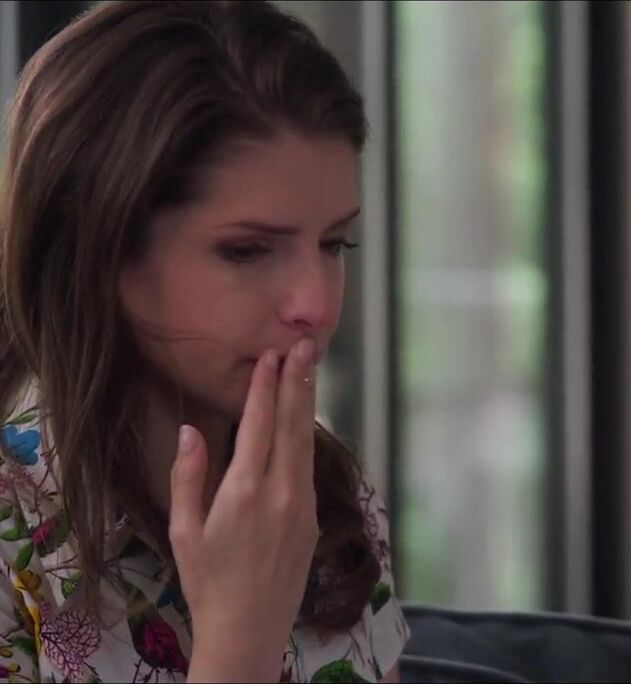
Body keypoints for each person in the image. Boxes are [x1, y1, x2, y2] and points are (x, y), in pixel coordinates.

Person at [0, 1, 409, 681]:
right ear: (97, 246)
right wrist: (239, 647)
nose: (316, 305)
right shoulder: (16, 533)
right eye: (246, 250)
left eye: (335, 243)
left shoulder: (328, 493)